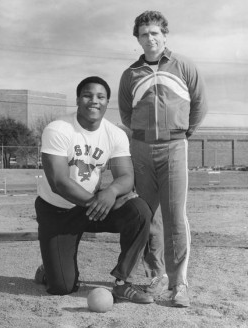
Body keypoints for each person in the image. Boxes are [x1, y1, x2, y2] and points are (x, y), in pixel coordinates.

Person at [34, 76, 154, 304]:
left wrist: (110, 193)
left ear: (107, 102)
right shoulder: (58, 129)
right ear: (78, 99)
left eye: (101, 96)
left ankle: (122, 283)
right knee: (62, 287)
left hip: (91, 207)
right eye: (88, 95)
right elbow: (58, 182)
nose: (94, 101)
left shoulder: (115, 133)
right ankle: (48, 268)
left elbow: (126, 177)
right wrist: (96, 202)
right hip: (58, 211)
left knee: (139, 211)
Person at [118, 11, 208, 307]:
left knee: (174, 216)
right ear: (138, 39)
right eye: (144, 34)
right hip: (141, 149)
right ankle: (158, 275)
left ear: (164, 35)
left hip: (174, 146)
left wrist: (183, 132)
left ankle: (179, 282)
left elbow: (199, 104)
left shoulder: (183, 66)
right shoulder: (130, 73)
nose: (150, 38)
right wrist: (142, 138)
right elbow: (126, 114)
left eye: (155, 33)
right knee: (147, 216)